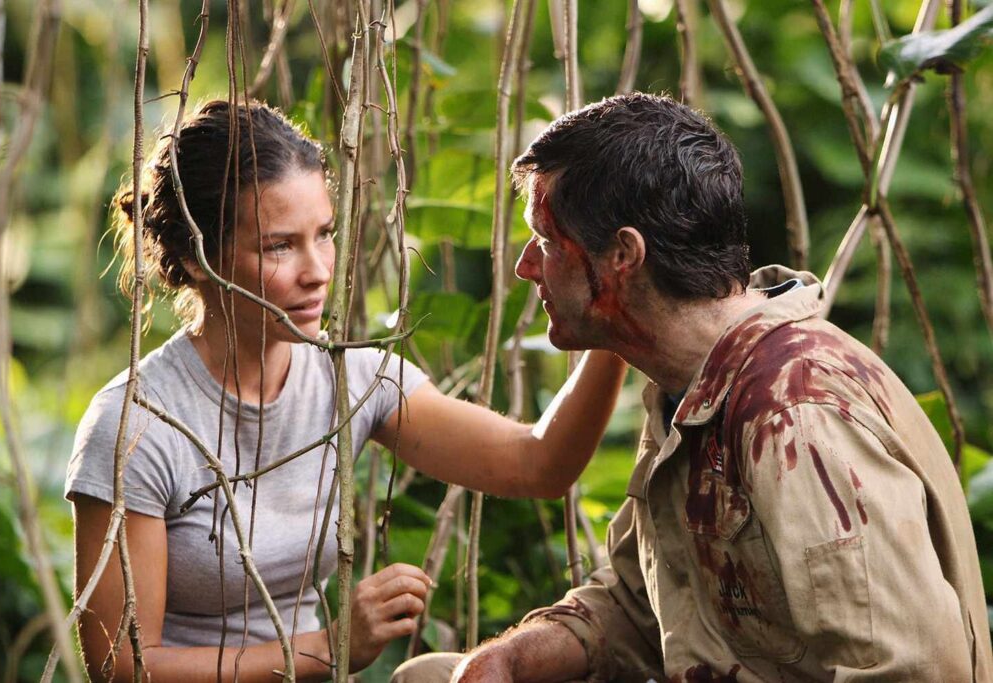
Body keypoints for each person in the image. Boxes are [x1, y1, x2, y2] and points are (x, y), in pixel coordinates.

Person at [392, 93, 993, 682]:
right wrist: (512, 658)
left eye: (547, 243)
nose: (526, 267)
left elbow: (917, 672)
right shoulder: (691, 383)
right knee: (433, 676)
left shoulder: (794, 416)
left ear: (623, 255)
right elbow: (642, 603)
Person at [66, 99, 628, 682]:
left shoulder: (352, 380)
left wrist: (614, 315)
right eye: (279, 246)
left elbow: (537, 463)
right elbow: (122, 665)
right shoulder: (136, 424)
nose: (317, 270)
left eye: (324, 235)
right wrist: (328, 648)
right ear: (197, 257)